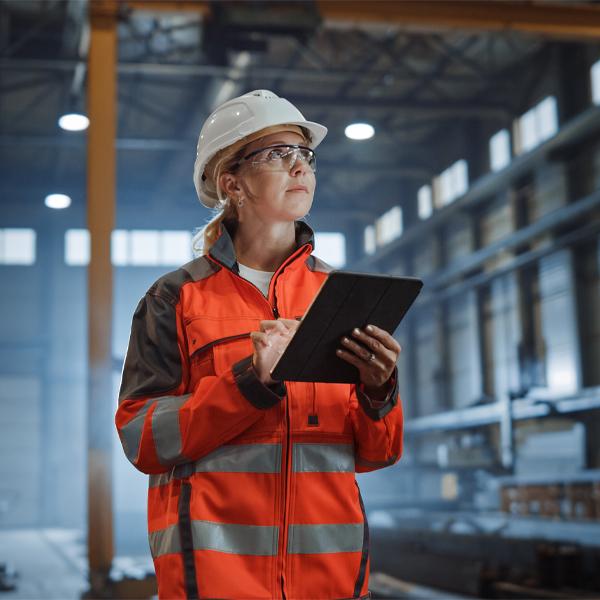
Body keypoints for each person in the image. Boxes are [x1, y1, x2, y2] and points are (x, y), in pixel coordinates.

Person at [115, 89, 404, 600]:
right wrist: (251, 383)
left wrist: (379, 393)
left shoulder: (340, 297)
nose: (300, 167)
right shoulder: (176, 297)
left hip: (331, 581)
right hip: (215, 580)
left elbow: (376, 454)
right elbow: (142, 438)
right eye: (277, 154)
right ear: (233, 183)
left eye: (305, 155)